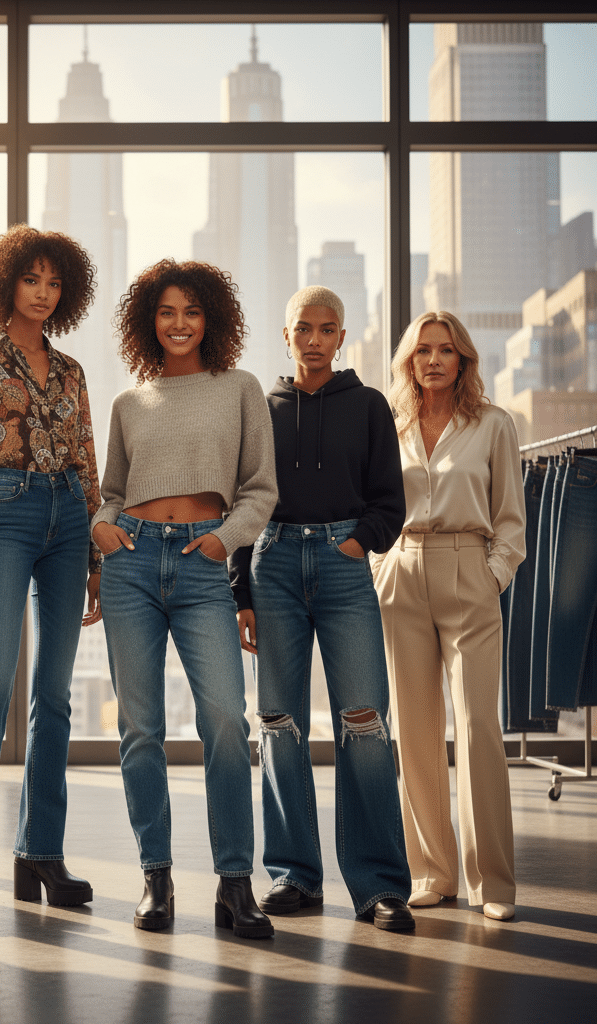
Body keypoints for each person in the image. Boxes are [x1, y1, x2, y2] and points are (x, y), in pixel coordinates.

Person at [92, 259, 278, 937]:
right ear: (149, 320)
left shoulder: (239, 388)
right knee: (140, 729)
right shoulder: (128, 402)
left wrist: (224, 541)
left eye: (191, 312)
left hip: (204, 566)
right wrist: (102, 529)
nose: (178, 323)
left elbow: (260, 487)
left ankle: (235, 884)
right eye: (166, 312)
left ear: (212, 320)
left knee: (227, 720)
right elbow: (110, 491)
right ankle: (157, 879)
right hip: (132, 565)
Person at [229, 285, 415, 931]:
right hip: (272, 564)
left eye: (326, 328)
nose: (314, 339)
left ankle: (381, 886)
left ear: (342, 337)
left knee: (364, 725)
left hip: (343, 568)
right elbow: (241, 503)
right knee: (278, 724)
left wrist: (357, 543)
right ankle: (293, 876)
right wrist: (242, 593)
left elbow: (389, 500)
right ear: (286, 335)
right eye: (302, 327)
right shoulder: (260, 406)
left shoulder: (368, 406)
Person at [0, 224, 100, 927]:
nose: (42, 291)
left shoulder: (71, 371)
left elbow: (89, 462)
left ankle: (41, 852)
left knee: (55, 696)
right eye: (32, 278)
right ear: (7, 282)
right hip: (4, 511)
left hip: (69, 517)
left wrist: (95, 556)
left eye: (54, 282)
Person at [373, 311, 526, 922]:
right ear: (408, 361)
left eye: (446, 350)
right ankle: (431, 871)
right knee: (413, 730)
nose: (434, 360)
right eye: (422, 350)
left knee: (478, 728)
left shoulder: (493, 425)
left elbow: (510, 517)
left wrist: (493, 574)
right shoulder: (391, 426)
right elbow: (374, 505)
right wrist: (380, 569)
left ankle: (494, 882)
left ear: (463, 360)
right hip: (402, 570)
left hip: (470, 572)